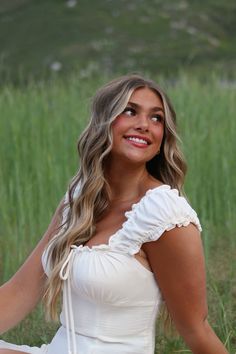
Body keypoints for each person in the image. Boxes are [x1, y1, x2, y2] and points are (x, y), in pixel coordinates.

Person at [0, 74, 228, 354]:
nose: (144, 125)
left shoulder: (164, 215)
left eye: (156, 118)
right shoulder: (79, 199)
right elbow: (19, 291)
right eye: (130, 111)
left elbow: (196, 328)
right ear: (103, 122)